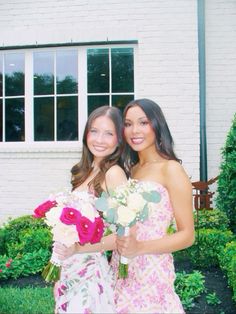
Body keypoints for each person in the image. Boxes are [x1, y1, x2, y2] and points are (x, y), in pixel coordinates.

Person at [111, 98, 195, 314]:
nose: (134, 130)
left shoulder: (171, 169)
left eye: (143, 122)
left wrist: (140, 248)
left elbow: (187, 235)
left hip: (151, 270)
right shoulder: (131, 170)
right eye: (128, 124)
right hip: (121, 268)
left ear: (157, 125)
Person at [53, 105, 127, 313]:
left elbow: (123, 236)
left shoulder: (114, 174)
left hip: (90, 274)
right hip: (70, 269)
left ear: (119, 140)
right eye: (94, 131)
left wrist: (78, 249)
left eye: (109, 133)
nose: (99, 140)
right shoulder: (84, 171)